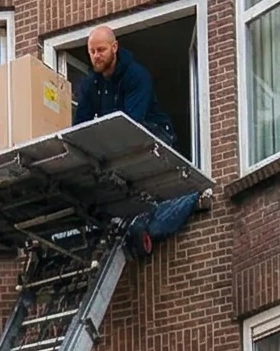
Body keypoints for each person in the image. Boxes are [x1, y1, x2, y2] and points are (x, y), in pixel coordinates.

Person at [72, 25, 205, 253]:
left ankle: (148, 220)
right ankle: (135, 222)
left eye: (101, 50)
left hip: (154, 134)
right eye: (92, 51)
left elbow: (132, 125)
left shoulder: (136, 75)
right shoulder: (90, 84)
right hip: (120, 139)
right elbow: (81, 125)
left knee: (188, 191)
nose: (96, 56)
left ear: (115, 47)